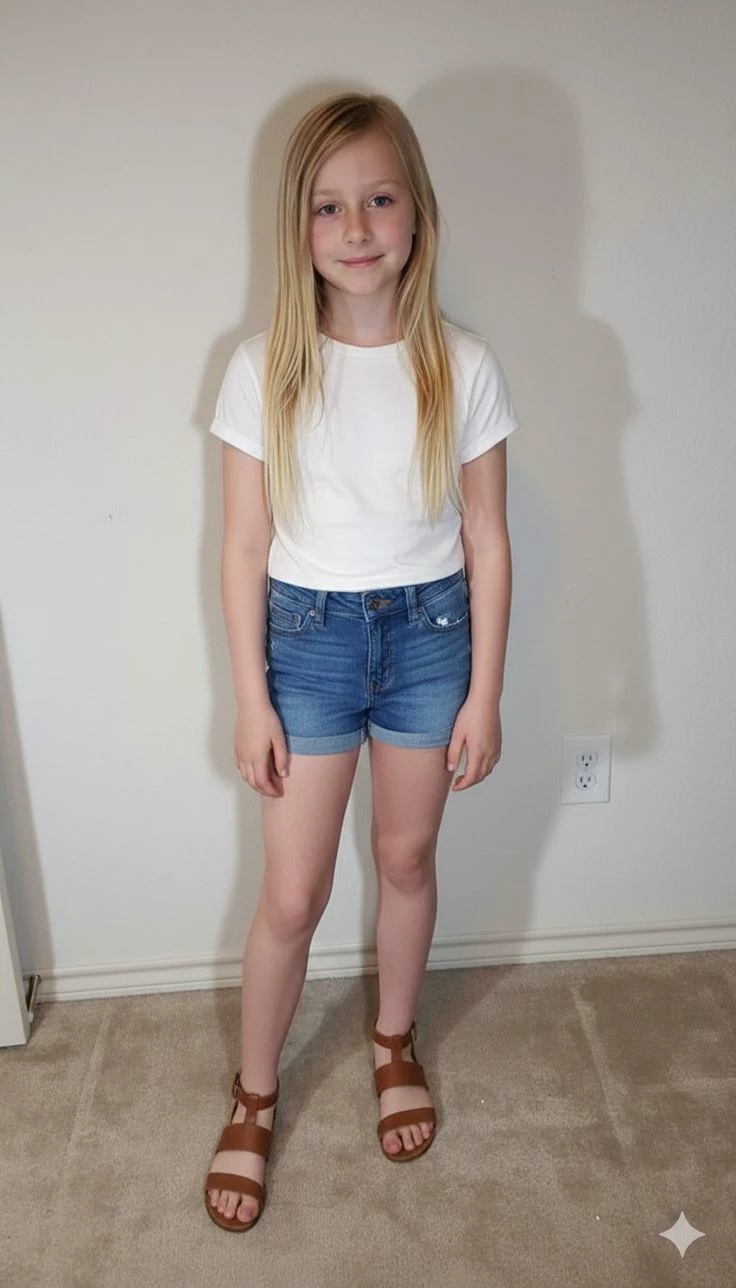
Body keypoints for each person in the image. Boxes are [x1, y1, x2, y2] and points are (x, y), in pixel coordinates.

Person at [204, 91, 519, 1232]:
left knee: (406, 855)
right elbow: (244, 546)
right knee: (292, 893)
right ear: (298, 226)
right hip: (308, 643)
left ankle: (393, 1040)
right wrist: (251, 699)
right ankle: (254, 1095)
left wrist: (486, 691)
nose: (355, 227)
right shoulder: (262, 368)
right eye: (328, 206)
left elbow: (487, 538)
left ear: (416, 212)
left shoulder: (460, 362)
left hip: (432, 639)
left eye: (378, 199)